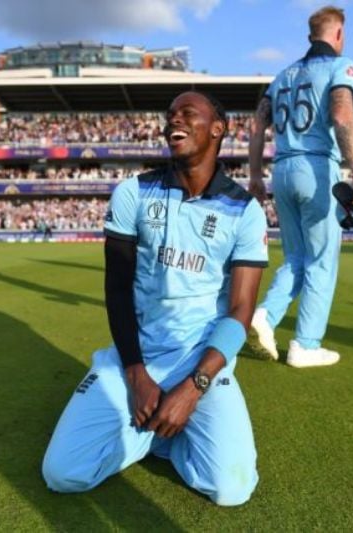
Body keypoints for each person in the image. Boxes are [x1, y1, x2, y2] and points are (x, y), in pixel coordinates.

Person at [42, 91, 269, 506]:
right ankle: (152, 437)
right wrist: (135, 374)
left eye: (187, 113)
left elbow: (241, 311)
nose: (172, 121)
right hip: (136, 358)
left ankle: (169, 432)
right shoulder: (133, 193)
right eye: (168, 115)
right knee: (63, 473)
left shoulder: (246, 210)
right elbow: (117, 290)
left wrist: (193, 387)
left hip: (200, 364)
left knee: (231, 490)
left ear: (218, 128)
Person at [247, 5, 353, 367]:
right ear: (338, 35)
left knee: (297, 257)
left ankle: (266, 317)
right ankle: (305, 344)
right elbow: (341, 114)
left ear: (309, 35)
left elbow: (257, 127)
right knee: (321, 261)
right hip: (317, 168)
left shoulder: (282, 75)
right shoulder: (339, 65)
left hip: (281, 170)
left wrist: (255, 176)